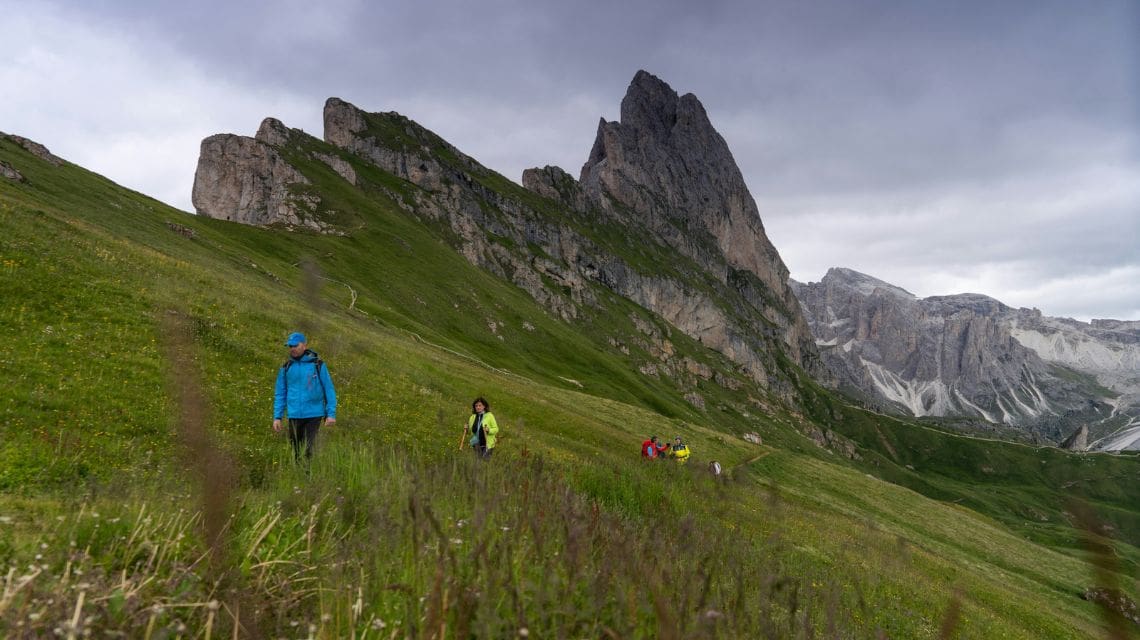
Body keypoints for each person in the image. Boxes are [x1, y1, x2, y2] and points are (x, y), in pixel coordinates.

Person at [273, 332, 337, 463]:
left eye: (295, 345)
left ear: (304, 345)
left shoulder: (317, 365)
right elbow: (280, 393)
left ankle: (308, 476)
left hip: (314, 414)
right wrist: (277, 417)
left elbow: (328, 389)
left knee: (308, 449)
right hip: (294, 415)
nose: (292, 348)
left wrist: (331, 413)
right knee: (295, 451)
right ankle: (299, 478)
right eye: (290, 346)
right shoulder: (286, 367)